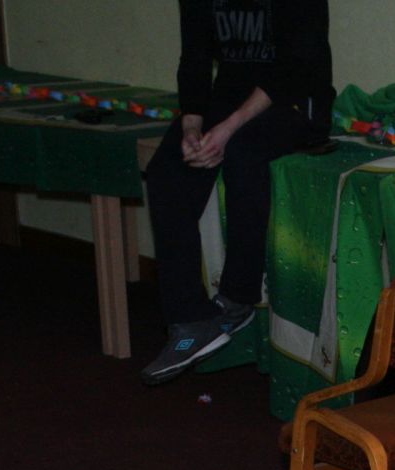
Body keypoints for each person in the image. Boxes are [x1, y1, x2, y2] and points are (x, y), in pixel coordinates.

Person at [140, 0, 333, 386]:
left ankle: (237, 297)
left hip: (296, 101)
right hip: (228, 97)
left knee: (244, 152)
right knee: (167, 170)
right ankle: (191, 319)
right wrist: (192, 126)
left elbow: (295, 64)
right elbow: (195, 55)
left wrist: (227, 129)